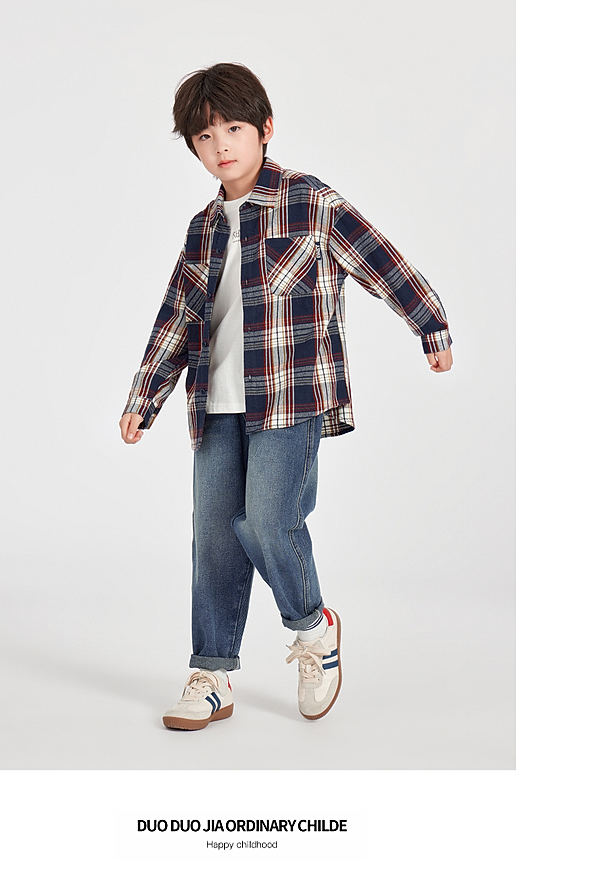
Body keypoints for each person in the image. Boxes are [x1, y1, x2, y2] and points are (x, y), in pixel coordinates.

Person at [119, 63, 453, 730]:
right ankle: (212, 673)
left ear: (265, 128)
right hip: (214, 404)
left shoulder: (311, 202)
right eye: (204, 136)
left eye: (233, 128)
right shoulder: (202, 227)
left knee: (268, 523)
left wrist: (430, 324)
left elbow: (381, 261)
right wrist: (144, 397)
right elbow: (178, 316)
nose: (221, 145)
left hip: (289, 400)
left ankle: (313, 629)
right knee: (215, 539)